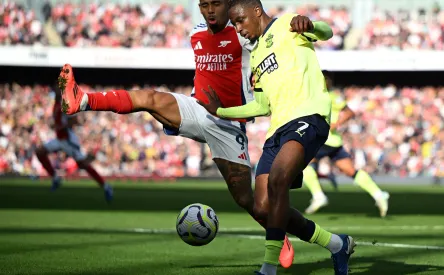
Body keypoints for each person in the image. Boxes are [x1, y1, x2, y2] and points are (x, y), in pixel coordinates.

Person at [57, 0, 294, 268]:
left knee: (246, 200)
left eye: (216, 4)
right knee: (150, 97)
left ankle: (277, 234)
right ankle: (83, 100)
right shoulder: (195, 32)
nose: (210, 10)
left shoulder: (243, 35)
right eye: (204, 5)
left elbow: (273, 39)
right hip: (196, 109)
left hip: (228, 123)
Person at [199, 1, 355, 274]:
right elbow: (261, 106)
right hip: (278, 129)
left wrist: (311, 24)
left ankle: (268, 268)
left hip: (309, 117)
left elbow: (327, 33)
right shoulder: (256, 56)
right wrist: (220, 111)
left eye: (240, 21)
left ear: (256, 11)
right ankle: (335, 244)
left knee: (280, 179)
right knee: (262, 207)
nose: (238, 29)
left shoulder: (288, 24)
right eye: (234, 24)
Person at [304, 84, 390, 216]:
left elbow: (349, 111)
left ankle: (318, 196)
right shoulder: (314, 94)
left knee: (304, 163)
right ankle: (378, 194)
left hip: (323, 139)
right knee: (350, 170)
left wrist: (336, 124)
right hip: (333, 141)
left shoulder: (329, 96)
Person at [35, 86, 113, 202]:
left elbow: (74, 120)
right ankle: (56, 178)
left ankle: (106, 186)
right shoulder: (56, 104)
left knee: (83, 165)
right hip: (59, 139)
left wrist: (66, 124)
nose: (55, 91)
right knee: (40, 152)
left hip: (67, 140)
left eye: (57, 89)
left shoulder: (65, 104)